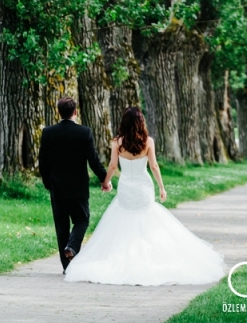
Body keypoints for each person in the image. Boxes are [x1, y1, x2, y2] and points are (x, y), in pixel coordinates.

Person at [64, 106, 226, 285]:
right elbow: (154, 166)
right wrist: (162, 187)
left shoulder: (117, 142)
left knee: (124, 220)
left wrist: (105, 182)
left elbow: (112, 166)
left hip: (126, 187)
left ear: (124, 123)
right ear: (141, 122)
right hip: (143, 187)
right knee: (147, 219)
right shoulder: (148, 142)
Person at [38, 97, 110, 274]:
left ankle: (67, 267)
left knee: (61, 226)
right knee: (82, 219)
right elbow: (93, 160)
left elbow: (42, 162)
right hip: (78, 188)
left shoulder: (48, 132)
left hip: (57, 188)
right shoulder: (84, 132)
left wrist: (48, 183)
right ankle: (72, 245)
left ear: (58, 112)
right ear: (75, 112)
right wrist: (104, 179)